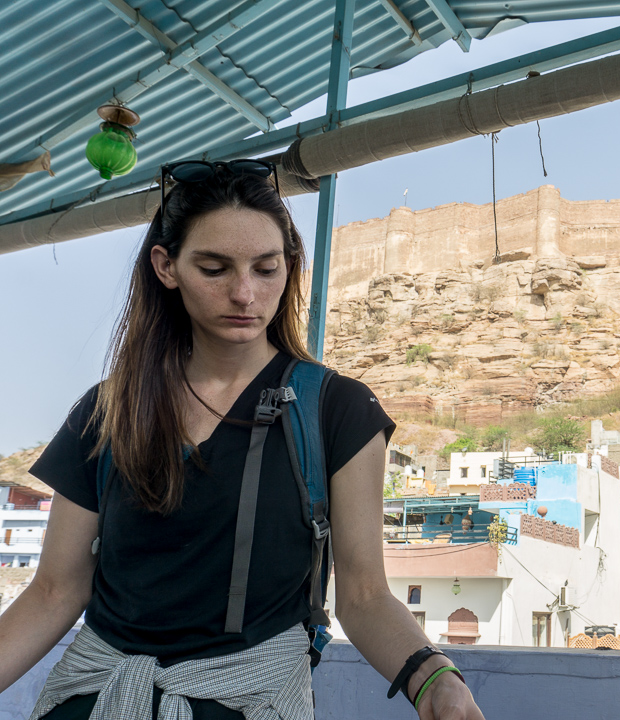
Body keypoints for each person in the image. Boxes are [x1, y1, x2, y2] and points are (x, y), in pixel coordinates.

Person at [0, 160, 485, 720]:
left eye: (265, 268)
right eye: (214, 268)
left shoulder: (337, 411)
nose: (244, 293)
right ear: (167, 266)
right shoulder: (107, 411)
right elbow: (54, 592)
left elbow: (364, 596)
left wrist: (436, 681)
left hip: (250, 704)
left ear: (289, 268)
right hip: (96, 700)